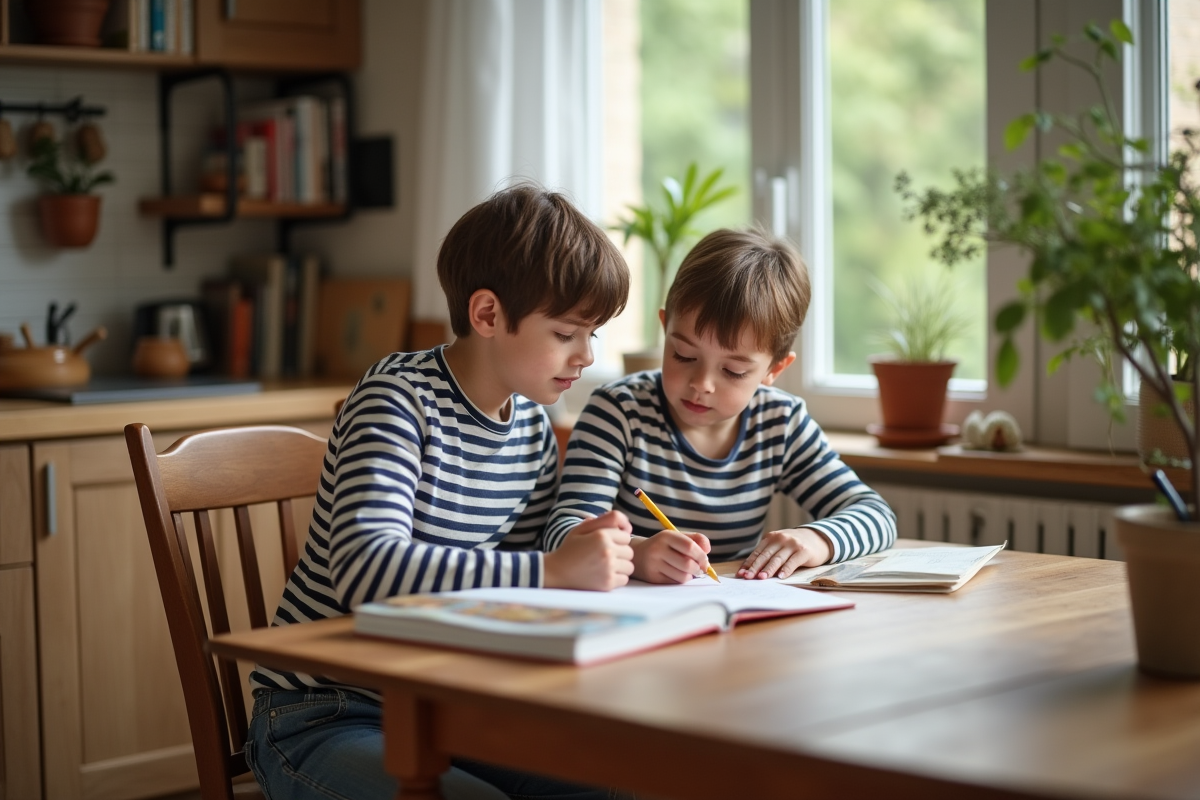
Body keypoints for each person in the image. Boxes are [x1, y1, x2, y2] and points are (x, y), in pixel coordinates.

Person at [245, 184, 636, 800]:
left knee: (611, 783)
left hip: (448, 704)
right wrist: (553, 569)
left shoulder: (532, 426)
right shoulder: (398, 400)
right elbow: (365, 570)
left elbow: (525, 573)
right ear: (487, 316)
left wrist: (592, 552)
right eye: (567, 333)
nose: (587, 355)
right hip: (325, 712)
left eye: (593, 334)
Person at [545, 227, 896, 584]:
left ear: (774, 370)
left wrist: (817, 539)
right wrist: (637, 552)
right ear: (666, 329)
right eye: (683, 355)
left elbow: (876, 514)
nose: (702, 384)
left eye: (733, 371)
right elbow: (561, 531)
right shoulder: (618, 412)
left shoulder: (781, 423)